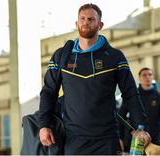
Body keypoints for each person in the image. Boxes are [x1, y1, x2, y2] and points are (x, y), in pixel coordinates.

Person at [38, 3, 151, 155]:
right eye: (82, 18)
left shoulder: (115, 57)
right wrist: (44, 125)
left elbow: (131, 94)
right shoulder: (61, 56)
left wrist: (141, 126)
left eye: (91, 19)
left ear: (100, 25)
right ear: (76, 23)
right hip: (73, 139)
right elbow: (49, 92)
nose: (86, 22)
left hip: (107, 139)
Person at [119, 67, 160, 152]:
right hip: (134, 141)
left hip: (154, 140)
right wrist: (120, 137)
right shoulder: (132, 97)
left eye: (150, 74)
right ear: (139, 78)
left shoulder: (159, 97)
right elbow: (121, 116)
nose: (147, 77)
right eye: (144, 75)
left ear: (152, 77)